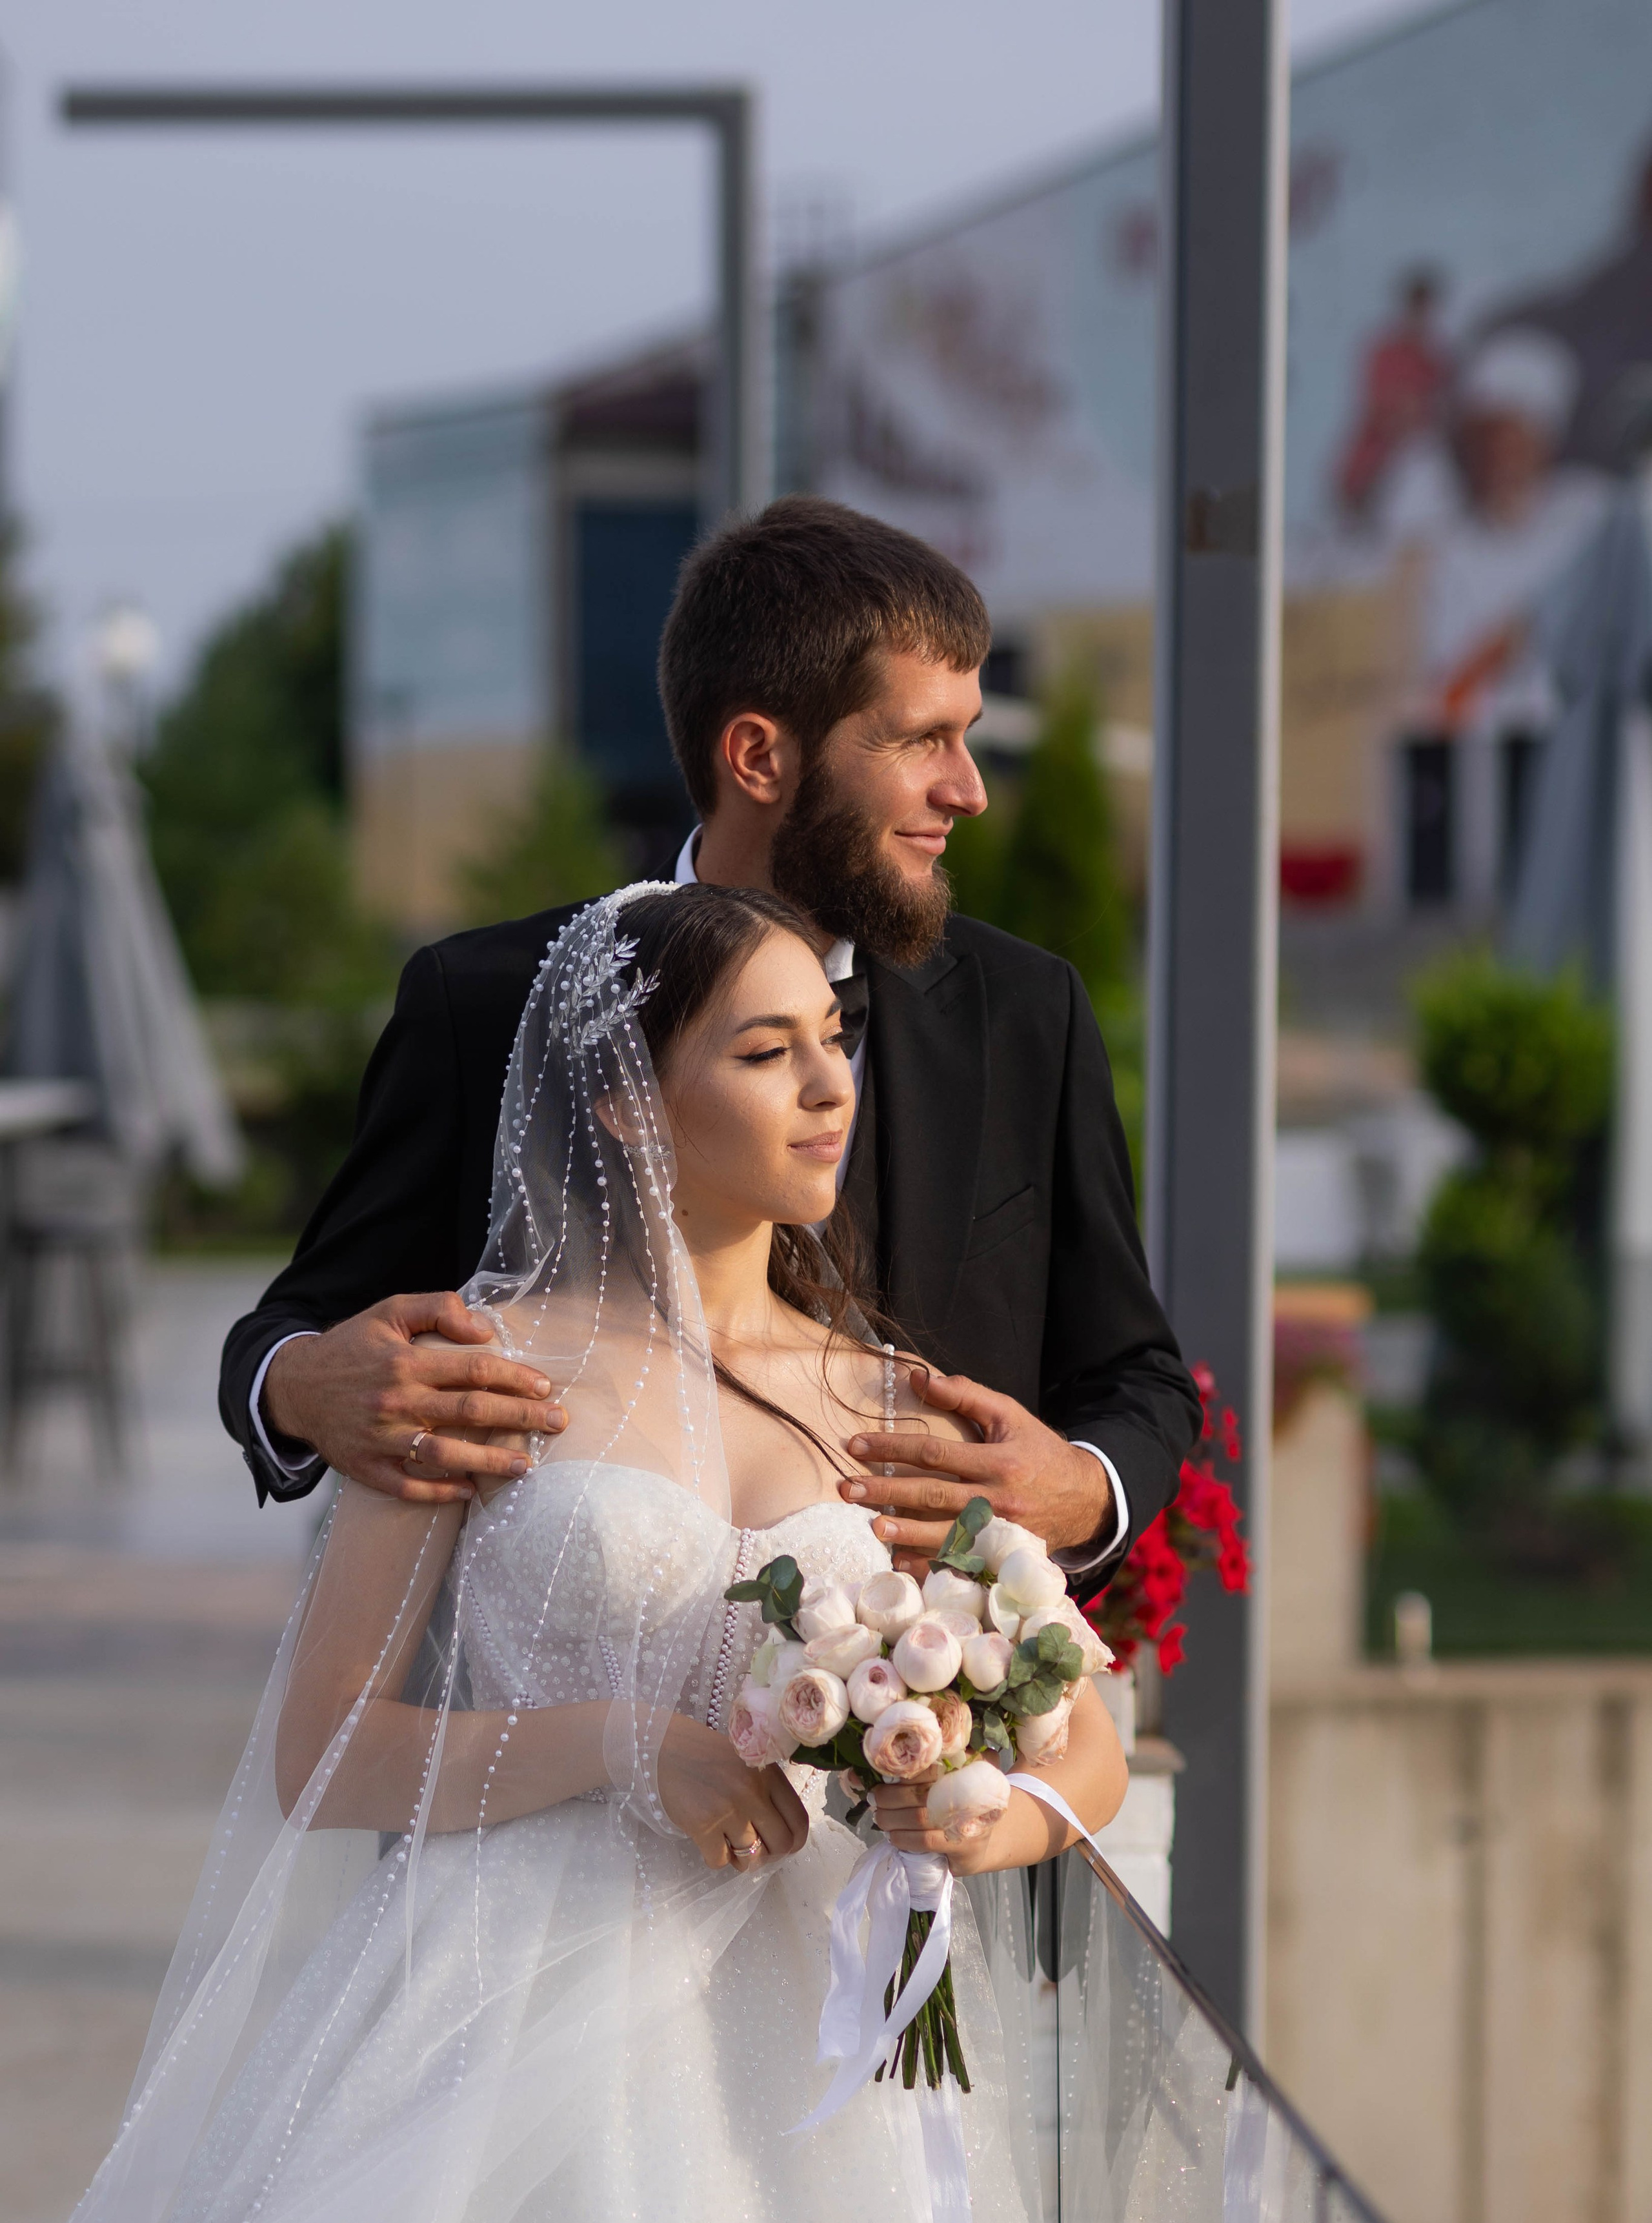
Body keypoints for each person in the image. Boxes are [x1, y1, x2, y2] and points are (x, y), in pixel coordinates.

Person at [0, 886, 1126, 2223]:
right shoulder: (473, 1370)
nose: (828, 1090)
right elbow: (324, 1750)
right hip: (497, 2021)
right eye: (764, 1051)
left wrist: (987, 1815)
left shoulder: (892, 1396)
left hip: (816, 2058)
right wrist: (618, 1747)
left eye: (833, 1040)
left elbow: (1084, 1742)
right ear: (624, 1100)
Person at [219, 496, 1199, 1583]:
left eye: (967, 736)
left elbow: (1137, 1373)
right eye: (923, 737)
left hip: (925, 1715)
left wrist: (1082, 1490)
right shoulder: (487, 1005)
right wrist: (300, 1387)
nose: (967, 790)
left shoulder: (1027, 1012)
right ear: (758, 757)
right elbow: (296, 1324)